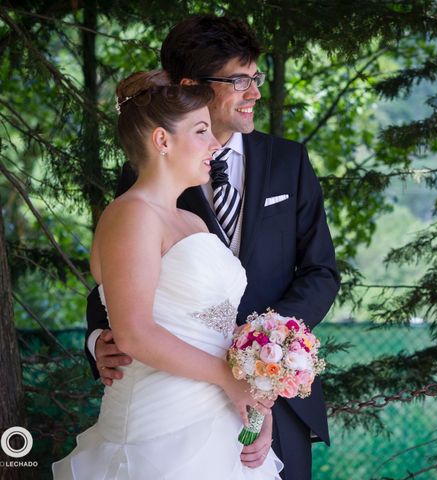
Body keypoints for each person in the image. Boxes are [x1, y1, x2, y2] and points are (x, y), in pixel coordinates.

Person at [84, 15, 340, 480]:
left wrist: (262, 347)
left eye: (256, 77)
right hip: (171, 404)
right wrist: (98, 339)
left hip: (270, 394)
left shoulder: (289, 162)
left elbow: (321, 271)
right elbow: (123, 284)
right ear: (191, 85)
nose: (254, 92)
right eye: (239, 79)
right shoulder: (143, 183)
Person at [53, 70, 283, 478]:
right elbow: (134, 332)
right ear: (161, 140)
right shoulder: (131, 215)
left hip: (222, 424)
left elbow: (219, 328)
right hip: (159, 433)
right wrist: (228, 380)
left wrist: (256, 401)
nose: (214, 143)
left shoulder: (192, 222)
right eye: (200, 131)